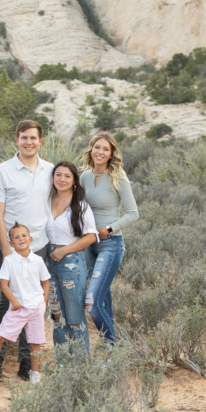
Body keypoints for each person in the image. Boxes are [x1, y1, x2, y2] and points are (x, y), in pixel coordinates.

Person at [0, 120, 54, 380]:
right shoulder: (3, 171)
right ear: (16, 139)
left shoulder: (49, 171)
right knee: (8, 303)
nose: (29, 142)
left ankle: (27, 365)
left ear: (41, 141)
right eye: (24, 137)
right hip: (9, 249)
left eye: (33, 138)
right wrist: (7, 252)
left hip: (39, 248)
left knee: (35, 304)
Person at [80, 132, 139, 347]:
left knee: (92, 302)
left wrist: (109, 229)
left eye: (106, 149)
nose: (100, 152)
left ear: (111, 153)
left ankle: (111, 346)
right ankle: (111, 349)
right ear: (91, 149)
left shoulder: (118, 178)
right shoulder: (84, 177)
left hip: (109, 244)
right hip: (87, 244)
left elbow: (133, 213)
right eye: (97, 147)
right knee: (103, 297)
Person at [0, 223, 51, 385]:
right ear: (11, 243)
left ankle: (35, 373)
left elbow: (46, 282)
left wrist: (44, 303)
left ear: (31, 239)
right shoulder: (9, 261)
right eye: (16, 237)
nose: (21, 239)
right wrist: (14, 301)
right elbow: (4, 284)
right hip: (17, 308)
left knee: (35, 342)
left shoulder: (38, 260)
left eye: (24, 236)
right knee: (0, 337)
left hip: (36, 308)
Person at [45, 161, 98, 354]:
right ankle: (63, 364)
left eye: (67, 176)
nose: (62, 179)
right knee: (57, 315)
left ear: (74, 181)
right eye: (58, 175)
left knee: (75, 316)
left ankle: (81, 364)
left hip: (71, 263)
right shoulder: (46, 201)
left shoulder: (81, 206)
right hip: (48, 263)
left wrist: (64, 250)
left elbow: (91, 236)